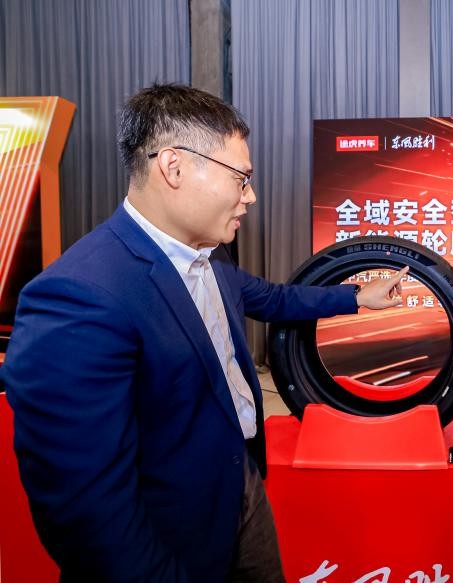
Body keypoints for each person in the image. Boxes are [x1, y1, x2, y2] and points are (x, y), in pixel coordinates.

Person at [0, 84, 407, 582]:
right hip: (172, 536)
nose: (250, 196)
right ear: (173, 167)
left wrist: (357, 297)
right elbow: (89, 512)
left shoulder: (210, 256)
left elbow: (273, 299)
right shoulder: (79, 295)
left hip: (240, 486)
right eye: (241, 178)